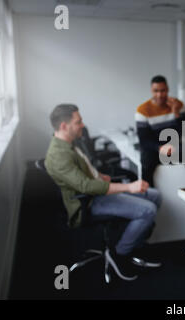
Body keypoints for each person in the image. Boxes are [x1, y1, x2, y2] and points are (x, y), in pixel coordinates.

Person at [45, 104, 161, 280]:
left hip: (97, 192)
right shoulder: (59, 155)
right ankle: (121, 255)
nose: (82, 125)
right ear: (64, 126)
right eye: (78, 122)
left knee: (154, 195)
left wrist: (100, 175)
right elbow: (86, 186)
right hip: (88, 202)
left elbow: (85, 170)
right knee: (148, 210)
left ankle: (133, 242)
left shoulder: (68, 142)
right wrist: (128, 187)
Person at [135, 75, 185, 187]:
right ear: (151, 91)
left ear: (167, 89)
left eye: (162, 91)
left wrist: (176, 112)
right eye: (156, 91)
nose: (159, 95)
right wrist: (160, 148)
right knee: (146, 164)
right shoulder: (143, 110)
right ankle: (150, 196)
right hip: (155, 149)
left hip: (174, 147)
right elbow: (144, 140)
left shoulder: (177, 104)